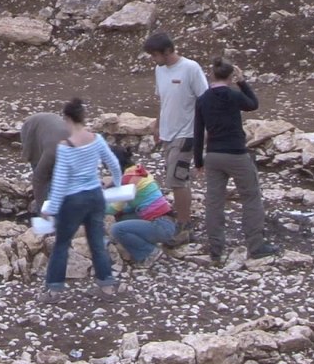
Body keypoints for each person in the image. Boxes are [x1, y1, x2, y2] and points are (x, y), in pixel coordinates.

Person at [193, 58, 279, 264]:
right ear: (230, 76)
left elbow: (198, 132)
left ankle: (215, 249)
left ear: (211, 75)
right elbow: (253, 104)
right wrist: (242, 82)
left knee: (214, 202)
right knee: (251, 196)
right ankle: (256, 245)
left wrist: (198, 162)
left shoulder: (203, 99)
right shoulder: (233, 95)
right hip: (236, 153)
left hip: (213, 155)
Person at [38, 98, 125, 304]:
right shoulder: (97, 139)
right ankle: (107, 288)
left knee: (62, 244)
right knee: (97, 243)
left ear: (67, 118)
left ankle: (54, 291)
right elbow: (113, 163)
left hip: (73, 200)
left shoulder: (65, 147)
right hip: (95, 196)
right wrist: (117, 183)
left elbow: (60, 181)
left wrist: (50, 207)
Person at [143, 31, 209, 243]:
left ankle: (184, 226)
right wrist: (158, 124)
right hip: (168, 132)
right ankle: (183, 220)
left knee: (177, 179)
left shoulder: (191, 68)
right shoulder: (159, 70)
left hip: (187, 133)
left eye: (155, 55)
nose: (153, 59)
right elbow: (164, 100)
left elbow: (205, 99)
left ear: (167, 51)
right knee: (175, 179)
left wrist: (205, 131)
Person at [107, 145, 176, 267]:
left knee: (117, 229)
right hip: (167, 222)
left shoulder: (127, 180)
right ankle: (149, 243)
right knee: (123, 217)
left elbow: (113, 209)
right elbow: (137, 203)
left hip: (160, 225)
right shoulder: (139, 171)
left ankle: (149, 252)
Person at [19, 112, 70, 214]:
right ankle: (42, 211)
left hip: (51, 129)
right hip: (32, 128)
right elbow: (38, 179)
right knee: (43, 174)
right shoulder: (52, 153)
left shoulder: (79, 149)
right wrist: (43, 207)